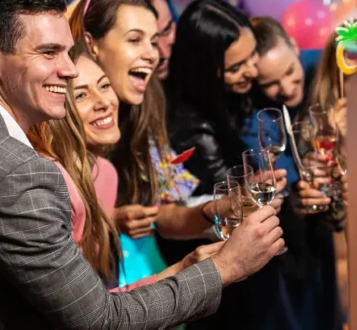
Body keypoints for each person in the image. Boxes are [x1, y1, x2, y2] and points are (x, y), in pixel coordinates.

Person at [0, 0, 285, 329]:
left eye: (68, 53)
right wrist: (224, 269)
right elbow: (98, 322)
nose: (69, 71)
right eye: (49, 53)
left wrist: (188, 267)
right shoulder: (19, 174)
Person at [68, 0, 240, 290]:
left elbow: (164, 207)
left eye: (155, 39)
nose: (154, 53)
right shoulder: (59, 127)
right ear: (92, 44)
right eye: (135, 40)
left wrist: (219, 208)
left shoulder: (148, 103)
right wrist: (110, 219)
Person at [27, 42, 225, 291]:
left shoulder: (105, 172)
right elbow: (84, 311)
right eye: (81, 95)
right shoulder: (48, 186)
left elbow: (165, 209)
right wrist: (185, 271)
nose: (103, 102)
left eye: (104, 85)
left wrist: (220, 208)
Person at [162, 0, 290, 330]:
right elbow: (233, 205)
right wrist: (260, 196)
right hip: (224, 282)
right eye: (236, 67)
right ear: (205, 70)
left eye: (252, 57)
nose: (252, 70)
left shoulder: (235, 94)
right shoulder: (190, 128)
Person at [244, 16, 345, 329]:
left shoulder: (327, 68)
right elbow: (277, 177)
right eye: (271, 83)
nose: (286, 88)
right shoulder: (258, 115)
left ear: (295, 46)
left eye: (289, 71)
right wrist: (297, 195)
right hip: (290, 247)